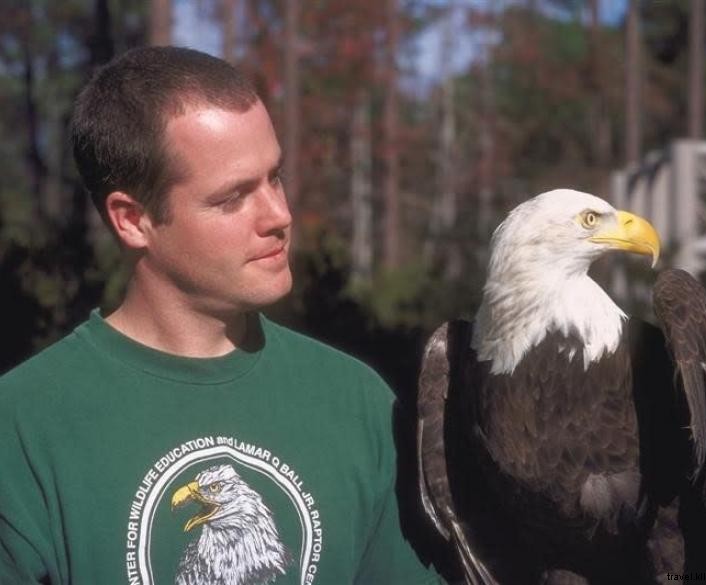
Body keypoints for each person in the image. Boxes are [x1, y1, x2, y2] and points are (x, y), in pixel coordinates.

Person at [0, 46, 441, 585]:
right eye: (232, 198)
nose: (279, 215)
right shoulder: (24, 425)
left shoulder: (356, 403)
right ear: (133, 219)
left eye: (274, 178)